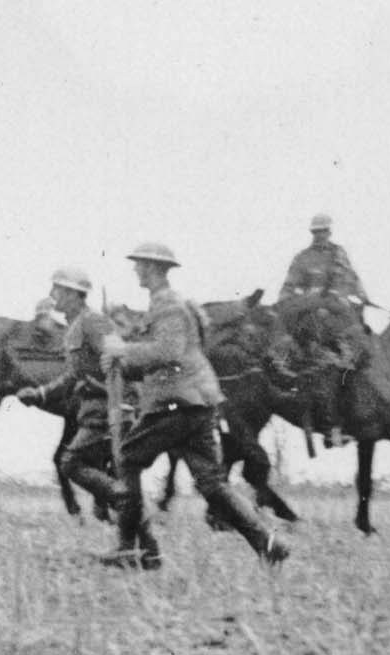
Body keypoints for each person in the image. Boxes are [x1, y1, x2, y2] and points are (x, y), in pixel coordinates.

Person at [90, 243, 288, 568]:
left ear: (153, 269)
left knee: (126, 460)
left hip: (176, 404)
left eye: (139, 265)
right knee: (211, 481)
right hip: (194, 403)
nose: (135, 270)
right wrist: (121, 361)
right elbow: (161, 359)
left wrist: (122, 351)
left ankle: (133, 549)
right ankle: (268, 544)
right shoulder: (168, 305)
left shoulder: (167, 306)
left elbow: (169, 353)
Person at [275, 212, 374, 382]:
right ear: (312, 233)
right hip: (312, 309)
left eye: (323, 231)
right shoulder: (302, 257)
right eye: (316, 232)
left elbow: (351, 277)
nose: (320, 235)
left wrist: (363, 295)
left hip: (339, 307)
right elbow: (289, 286)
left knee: (362, 333)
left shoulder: (339, 253)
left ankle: (361, 365)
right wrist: (284, 304)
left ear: (329, 232)